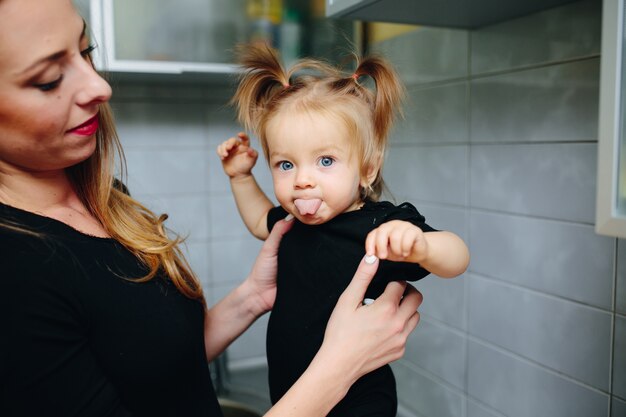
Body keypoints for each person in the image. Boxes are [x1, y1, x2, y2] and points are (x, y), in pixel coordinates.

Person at [0, 1, 426, 416]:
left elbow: (144, 367)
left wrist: (250, 299)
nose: (100, 87)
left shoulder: (103, 196)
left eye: (86, 52)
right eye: (49, 78)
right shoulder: (14, 272)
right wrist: (340, 367)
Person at [217, 44, 470, 416]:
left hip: (359, 401)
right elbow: (259, 221)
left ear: (367, 168)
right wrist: (240, 177)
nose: (302, 180)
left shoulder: (381, 224)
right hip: (295, 396)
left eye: (325, 161)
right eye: (285, 164)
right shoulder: (291, 224)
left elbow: (458, 257)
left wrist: (421, 246)